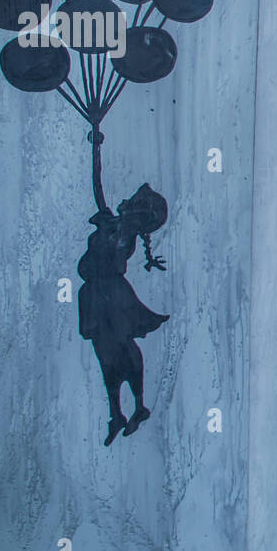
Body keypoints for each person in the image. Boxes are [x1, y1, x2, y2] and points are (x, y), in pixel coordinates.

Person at [78, 183, 169, 446]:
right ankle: (116, 412)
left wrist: (107, 231)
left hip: (109, 295)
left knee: (119, 344)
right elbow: (96, 181)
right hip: (95, 295)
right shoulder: (116, 224)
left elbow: (114, 256)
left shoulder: (123, 231)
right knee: (105, 351)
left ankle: (138, 405)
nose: (126, 199)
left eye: (133, 200)